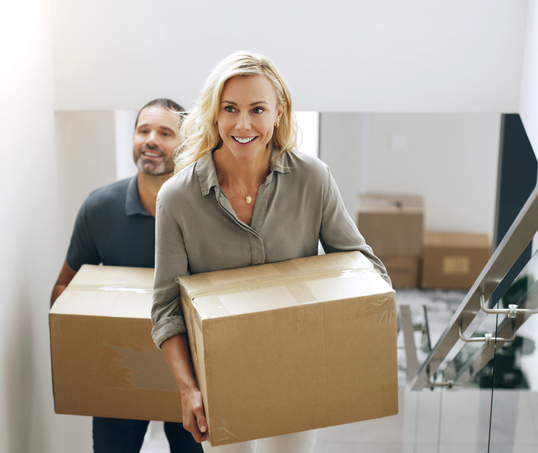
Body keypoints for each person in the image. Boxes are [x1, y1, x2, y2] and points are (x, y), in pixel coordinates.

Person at [151, 52, 390, 453]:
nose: (243, 125)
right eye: (230, 109)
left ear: (279, 113)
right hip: (219, 377)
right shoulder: (178, 198)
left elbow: (364, 266)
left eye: (257, 109)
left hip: (299, 371)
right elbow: (165, 308)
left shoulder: (312, 178)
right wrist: (188, 390)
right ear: (214, 114)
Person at [51, 98, 204, 453]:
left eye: (165, 132)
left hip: (191, 380)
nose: (150, 139)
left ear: (186, 144)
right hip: (118, 376)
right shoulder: (99, 207)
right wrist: (74, 347)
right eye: (143, 130)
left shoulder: (203, 211)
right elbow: (64, 286)